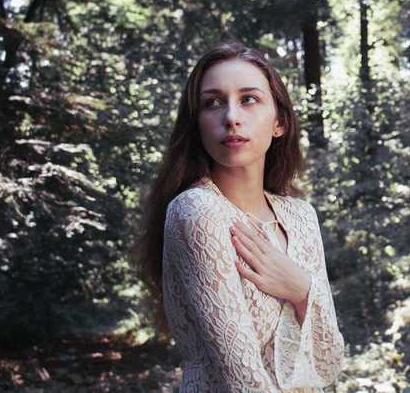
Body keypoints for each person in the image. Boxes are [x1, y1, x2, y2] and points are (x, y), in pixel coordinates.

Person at [134, 42, 345, 392]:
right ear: (197, 125)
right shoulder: (197, 212)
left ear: (279, 122)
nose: (231, 116)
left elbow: (329, 362)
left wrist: (301, 289)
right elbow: (241, 380)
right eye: (212, 102)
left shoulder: (301, 217)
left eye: (249, 99)